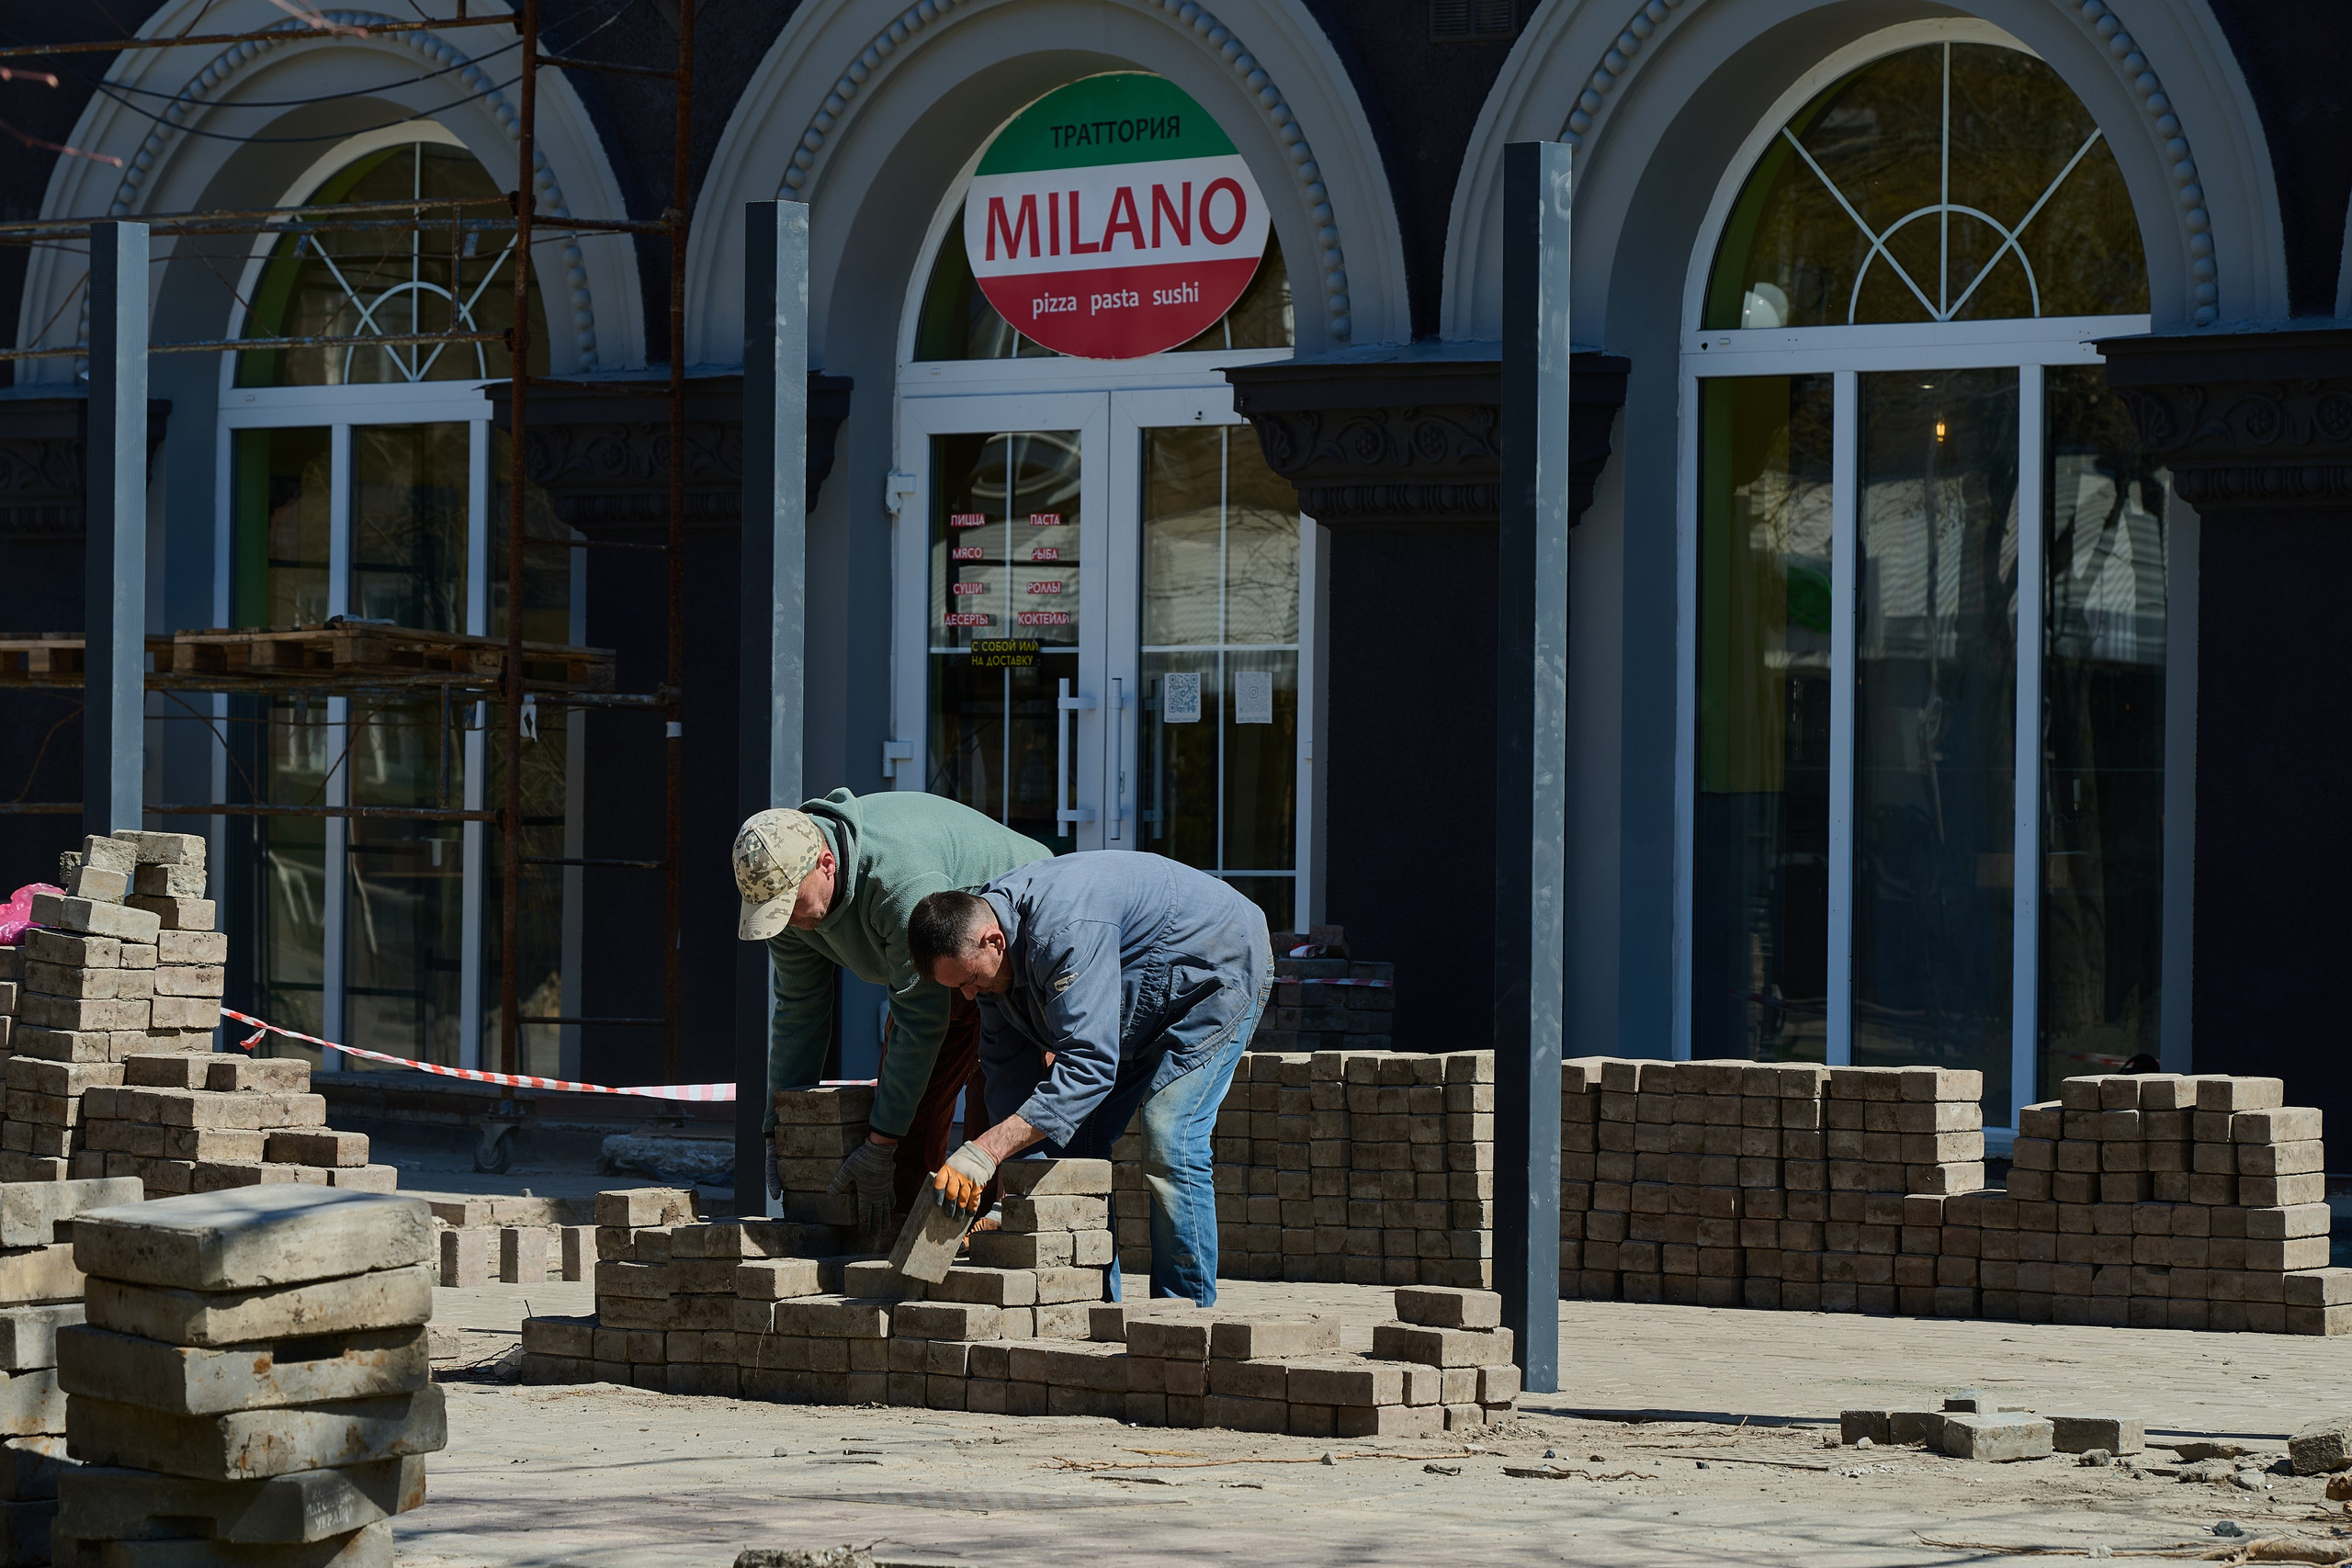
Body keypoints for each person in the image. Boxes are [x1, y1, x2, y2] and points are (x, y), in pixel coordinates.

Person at [904, 852, 1272, 1305]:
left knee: (1169, 1136)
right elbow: (1007, 1075)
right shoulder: (987, 962)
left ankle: (1183, 1316)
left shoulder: (1062, 933)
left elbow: (1090, 1067)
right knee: (1072, 1147)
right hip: (1139, 996)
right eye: (957, 987)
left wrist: (986, 1150)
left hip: (1217, 970)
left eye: (970, 980)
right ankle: (1090, 1307)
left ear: (993, 941)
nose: (968, 995)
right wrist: (1010, 1179)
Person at [733, 790, 1051, 1238]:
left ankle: (993, 1239)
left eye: (789, 905)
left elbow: (921, 1021)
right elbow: (799, 1010)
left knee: (996, 1098)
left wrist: (881, 1144)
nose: (784, 920)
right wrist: (779, 1125)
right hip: (941, 960)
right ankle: (909, 1244)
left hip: (1006, 946)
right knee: (906, 1133)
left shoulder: (898, 881)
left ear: (826, 864)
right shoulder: (784, 907)